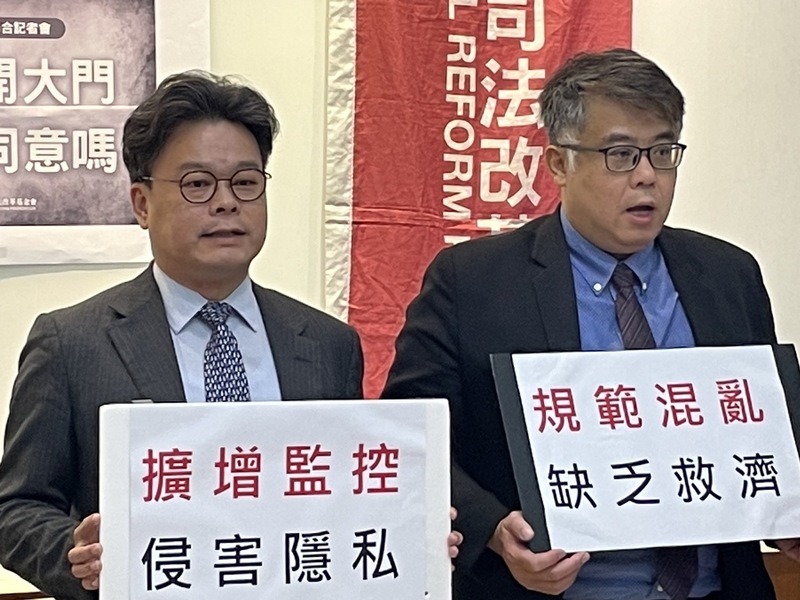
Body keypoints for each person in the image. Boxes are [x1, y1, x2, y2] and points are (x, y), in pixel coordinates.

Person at [383, 49, 800, 599]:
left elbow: (766, 426)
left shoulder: (728, 275)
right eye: (621, 154)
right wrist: (495, 531)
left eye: (663, 152)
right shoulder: (474, 280)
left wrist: (788, 507)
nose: (647, 176)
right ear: (559, 164)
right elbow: (413, 433)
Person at [0, 71, 366, 599]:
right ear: (142, 204)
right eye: (197, 184)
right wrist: (78, 554)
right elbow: (18, 507)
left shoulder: (329, 344)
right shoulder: (71, 342)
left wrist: (406, 525)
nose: (226, 203)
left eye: (246, 182)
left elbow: (347, 494)